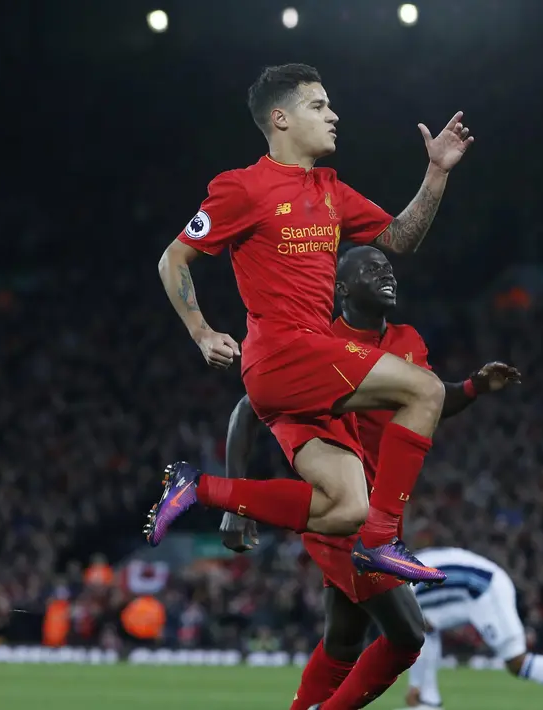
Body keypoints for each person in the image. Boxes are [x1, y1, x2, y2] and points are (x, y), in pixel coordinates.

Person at [149, 63, 475, 583]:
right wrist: (202, 331)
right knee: (425, 391)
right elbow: (173, 259)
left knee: (346, 507)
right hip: (283, 353)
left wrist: (436, 174)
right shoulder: (242, 188)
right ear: (280, 119)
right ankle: (383, 542)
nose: (334, 116)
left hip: (306, 367)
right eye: (319, 106)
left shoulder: (330, 190)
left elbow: (399, 239)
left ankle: (198, 488)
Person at [220, 245, 522, 709]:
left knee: (343, 641)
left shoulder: (407, 339)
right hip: (346, 512)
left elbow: (430, 402)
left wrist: (473, 388)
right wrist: (235, 506)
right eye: (373, 268)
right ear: (341, 289)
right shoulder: (318, 340)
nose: (388, 274)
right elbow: (247, 408)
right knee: (408, 634)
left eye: (390, 267)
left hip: (381, 516)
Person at [401, 547, 543, 710]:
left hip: (485, 590)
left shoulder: (398, 586)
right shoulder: (394, 573)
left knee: (517, 664)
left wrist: (414, 683)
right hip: (463, 591)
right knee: (422, 626)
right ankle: (427, 702)